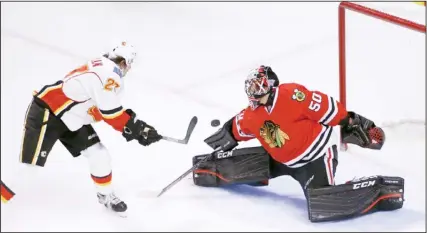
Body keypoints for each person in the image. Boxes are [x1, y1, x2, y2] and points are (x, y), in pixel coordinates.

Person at [191, 65, 404, 222]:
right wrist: (225, 137)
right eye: (251, 87)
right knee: (257, 158)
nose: (253, 92)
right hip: (281, 160)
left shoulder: (293, 95)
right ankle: (224, 170)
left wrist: (350, 121)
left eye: (258, 86)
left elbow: (326, 107)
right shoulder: (251, 115)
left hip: (316, 156)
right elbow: (237, 128)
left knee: (321, 206)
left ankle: (382, 191)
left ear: (270, 86)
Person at [18, 41, 162, 215]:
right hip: (49, 112)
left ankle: (106, 195)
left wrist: (136, 126)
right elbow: (110, 113)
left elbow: (104, 107)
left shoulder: (103, 65)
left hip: (72, 117)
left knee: (99, 154)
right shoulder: (110, 74)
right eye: (128, 66)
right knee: (29, 167)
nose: (128, 70)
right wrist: (137, 129)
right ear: (124, 62)